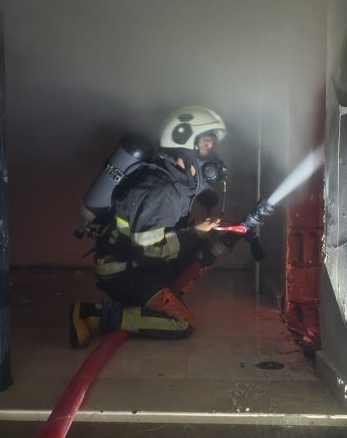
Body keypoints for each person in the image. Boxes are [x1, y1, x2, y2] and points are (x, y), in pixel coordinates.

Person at [70, 106, 229, 348]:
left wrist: (199, 227)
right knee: (181, 323)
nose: (212, 152)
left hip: (138, 263)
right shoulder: (161, 191)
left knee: (202, 251)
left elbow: (172, 227)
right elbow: (149, 249)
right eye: (207, 144)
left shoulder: (179, 180)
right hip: (123, 271)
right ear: (184, 142)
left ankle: (148, 298)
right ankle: (96, 315)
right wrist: (194, 232)